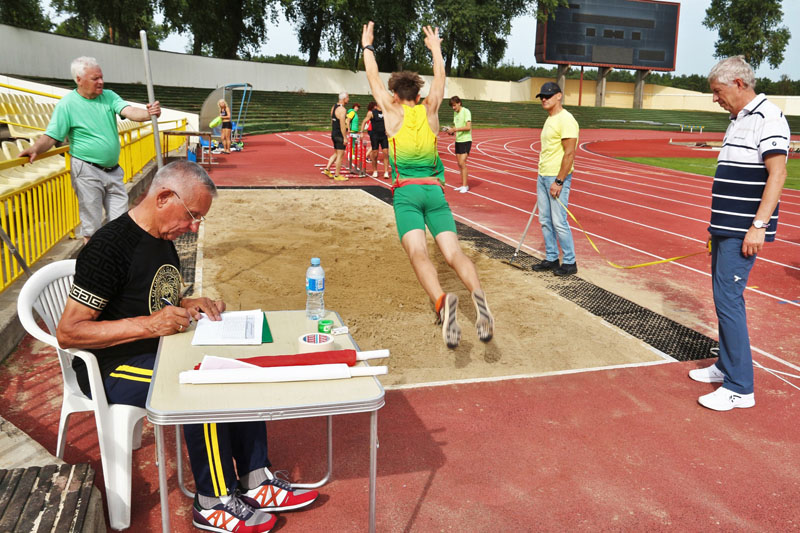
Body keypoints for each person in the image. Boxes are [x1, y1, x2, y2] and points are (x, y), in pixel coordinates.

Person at [55, 160, 319, 532]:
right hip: (109, 366)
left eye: (199, 220)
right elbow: (69, 332)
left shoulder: (163, 240)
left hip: (155, 349)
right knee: (201, 386)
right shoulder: (109, 248)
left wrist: (187, 304)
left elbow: (155, 299)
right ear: (164, 197)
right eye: (192, 215)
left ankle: (255, 479)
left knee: (240, 368)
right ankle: (211, 502)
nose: (193, 227)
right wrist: (150, 325)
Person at [361, 21, 494, 349]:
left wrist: (368, 46)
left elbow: (372, 77)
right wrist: (435, 48)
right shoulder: (431, 109)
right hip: (435, 191)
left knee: (418, 252)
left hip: (407, 193)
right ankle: (479, 298)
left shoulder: (391, 113)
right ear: (418, 95)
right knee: (453, 253)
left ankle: (441, 301)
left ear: (394, 95)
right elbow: (441, 79)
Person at [689, 56, 789, 411]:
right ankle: (725, 367)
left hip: (743, 230)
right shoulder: (738, 119)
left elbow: (777, 175)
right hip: (725, 229)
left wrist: (758, 226)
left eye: (717, 91)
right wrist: (714, 229)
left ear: (739, 84)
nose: (715, 98)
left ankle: (740, 388)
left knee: (730, 301)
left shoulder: (769, 117)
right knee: (723, 299)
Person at [20, 56, 162, 244]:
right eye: (95, 78)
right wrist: (35, 148)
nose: (101, 82)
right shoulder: (67, 105)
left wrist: (148, 114)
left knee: (121, 223)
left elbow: (129, 111)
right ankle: (94, 267)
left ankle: (117, 262)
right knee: (92, 227)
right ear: (79, 79)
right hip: (87, 171)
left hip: (113, 171)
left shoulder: (109, 96)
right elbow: (52, 135)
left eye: (101, 77)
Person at [531, 81, 579, 277]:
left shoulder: (566, 120)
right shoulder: (550, 119)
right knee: (545, 219)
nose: (543, 99)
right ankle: (551, 257)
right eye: (541, 96)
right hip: (543, 175)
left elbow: (569, 154)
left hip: (556, 176)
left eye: (547, 96)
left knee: (559, 221)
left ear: (559, 96)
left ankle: (570, 261)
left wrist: (559, 181)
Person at [443, 96, 472, 193]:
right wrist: (450, 131)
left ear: (459, 103)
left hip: (466, 140)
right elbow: (456, 127)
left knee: (462, 162)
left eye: (454, 105)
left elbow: (468, 127)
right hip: (458, 140)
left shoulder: (466, 111)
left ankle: (465, 185)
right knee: (459, 164)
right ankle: (463, 185)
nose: (453, 108)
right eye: (452, 106)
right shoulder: (455, 114)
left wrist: (455, 129)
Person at [322, 92, 349, 181]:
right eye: (348, 97)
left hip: (334, 133)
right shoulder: (342, 109)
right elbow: (342, 125)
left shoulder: (334, 107)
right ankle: (337, 175)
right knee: (340, 156)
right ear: (344, 99)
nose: (348, 99)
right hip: (339, 135)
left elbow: (332, 121)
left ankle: (327, 169)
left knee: (336, 153)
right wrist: (345, 137)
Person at [362, 101, 390, 178]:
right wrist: (361, 132)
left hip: (384, 135)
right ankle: (375, 171)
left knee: (385, 152)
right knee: (375, 153)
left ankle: (386, 172)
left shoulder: (386, 112)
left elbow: (389, 122)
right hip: (375, 135)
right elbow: (364, 121)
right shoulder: (372, 113)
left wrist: (389, 130)